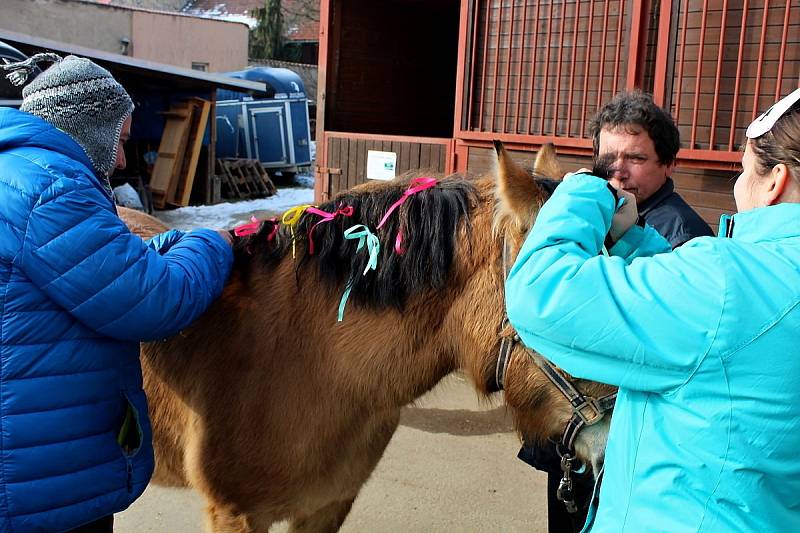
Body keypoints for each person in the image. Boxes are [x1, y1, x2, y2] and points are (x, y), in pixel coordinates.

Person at [507, 87, 800, 532]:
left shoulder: (724, 273)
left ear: (775, 180)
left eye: (741, 171)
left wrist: (582, 192)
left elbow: (540, 293)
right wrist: (633, 242)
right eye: (607, 158)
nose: (619, 169)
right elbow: (705, 332)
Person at [0, 54, 233, 532]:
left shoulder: (18, 171)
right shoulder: (53, 189)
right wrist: (215, 240)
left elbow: (110, 262)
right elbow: (155, 301)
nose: (124, 159)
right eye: (121, 140)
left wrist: (170, 241)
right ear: (86, 125)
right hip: (37, 474)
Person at [517, 90, 714, 532]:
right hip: (577, 420)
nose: (619, 169)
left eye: (636, 157)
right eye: (608, 157)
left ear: (669, 165)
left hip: (619, 429)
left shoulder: (683, 235)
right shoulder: (597, 210)